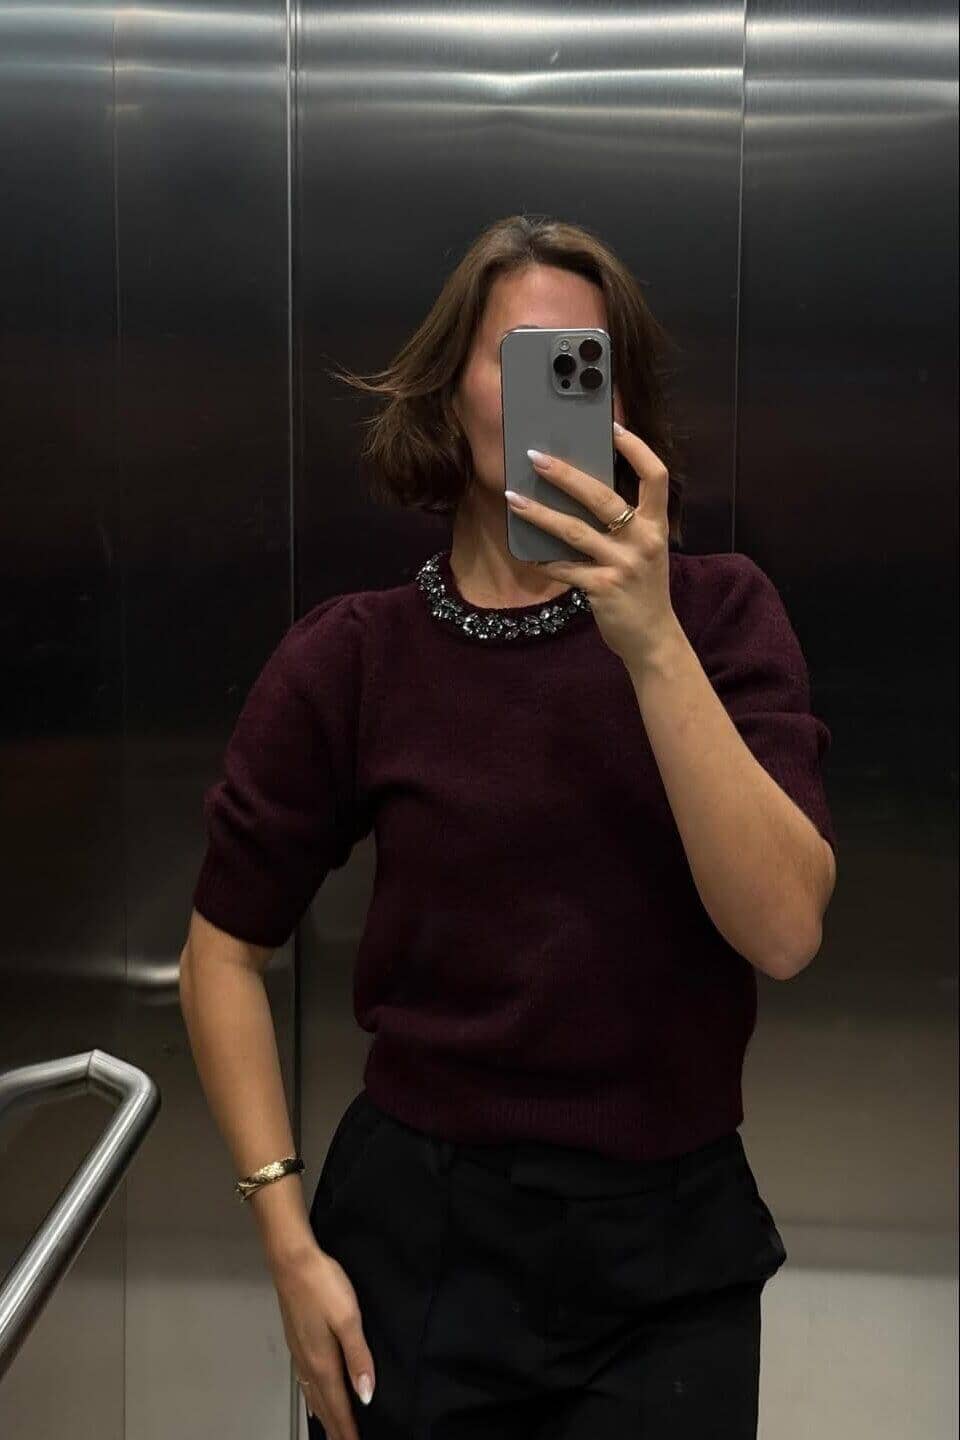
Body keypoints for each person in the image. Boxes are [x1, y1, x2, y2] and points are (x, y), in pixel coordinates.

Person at [179, 216, 838, 1440]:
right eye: (520, 357)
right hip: (417, 1244)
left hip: (668, 1259)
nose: (554, 390)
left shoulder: (718, 617)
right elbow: (220, 953)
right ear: (450, 394)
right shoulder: (356, 658)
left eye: (585, 363)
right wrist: (285, 1238)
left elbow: (786, 930)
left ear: (623, 405)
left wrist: (650, 642)